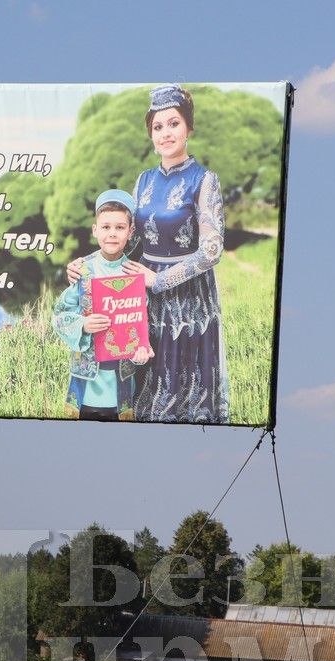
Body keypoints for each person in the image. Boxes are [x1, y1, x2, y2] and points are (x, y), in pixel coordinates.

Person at [69, 84, 228, 423]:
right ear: (151, 134)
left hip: (187, 294)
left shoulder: (205, 180)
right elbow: (127, 237)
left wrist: (161, 278)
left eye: (173, 124)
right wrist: (87, 266)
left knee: (183, 392)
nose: (165, 133)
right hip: (140, 291)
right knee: (139, 381)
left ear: (189, 128)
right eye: (157, 127)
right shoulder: (142, 181)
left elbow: (212, 250)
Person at [51, 190, 153, 420]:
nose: (112, 234)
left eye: (120, 227)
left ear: (130, 231)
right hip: (84, 385)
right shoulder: (82, 269)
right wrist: (83, 324)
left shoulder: (135, 273)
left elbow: (142, 323)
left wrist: (142, 349)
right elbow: (58, 316)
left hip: (122, 384)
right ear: (95, 229)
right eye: (106, 227)